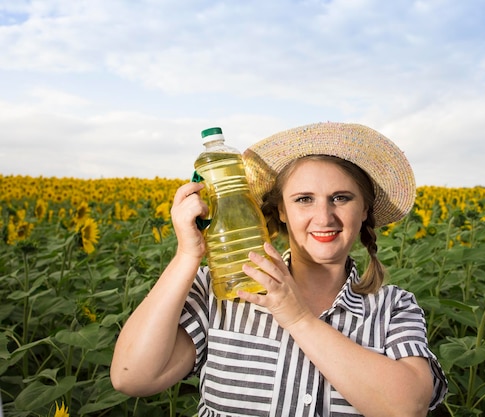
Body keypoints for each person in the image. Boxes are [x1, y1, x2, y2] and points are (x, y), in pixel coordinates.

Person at [110, 122, 447, 417]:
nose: (324, 217)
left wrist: (297, 318)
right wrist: (187, 254)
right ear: (281, 211)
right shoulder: (226, 290)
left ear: (364, 211)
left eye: (341, 198)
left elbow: (407, 407)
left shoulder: (392, 307)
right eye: (304, 199)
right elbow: (132, 376)